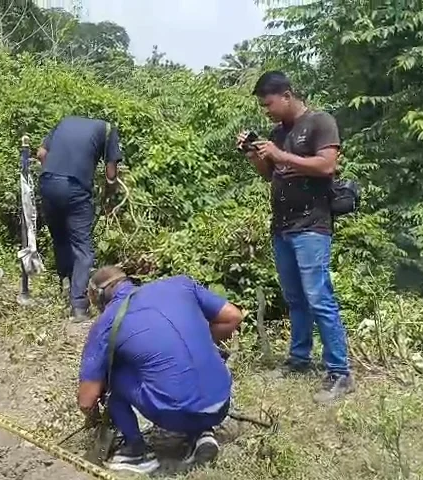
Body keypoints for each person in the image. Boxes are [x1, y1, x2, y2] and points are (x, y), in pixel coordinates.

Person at [238, 71, 355, 403]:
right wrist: (255, 155)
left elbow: (327, 166)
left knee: (319, 297)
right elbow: (269, 175)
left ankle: (339, 372)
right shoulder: (278, 133)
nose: (267, 111)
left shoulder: (320, 122)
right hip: (283, 227)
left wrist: (281, 155)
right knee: (295, 299)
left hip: (312, 225)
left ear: (287, 95)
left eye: (269, 104)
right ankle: (299, 360)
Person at [77, 266, 243, 474]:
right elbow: (233, 317)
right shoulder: (181, 284)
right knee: (186, 359)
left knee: (113, 371)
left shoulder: (106, 323)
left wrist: (94, 412)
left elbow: (86, 399)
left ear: (99, 297)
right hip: (221, 404)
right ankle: (202, 433)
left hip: (177, 414)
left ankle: (136, 452)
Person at [37, 116, 123, 321]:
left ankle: (65, 284)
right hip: (75, 187)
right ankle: (78, 306)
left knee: (61, 240)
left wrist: (56, 175)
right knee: (83, 249)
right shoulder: (109, 129)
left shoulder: (65, 122)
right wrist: (110, 192)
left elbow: (41, 154)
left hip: (47, 182)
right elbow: (111, 173)